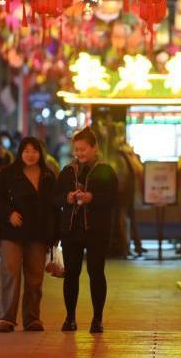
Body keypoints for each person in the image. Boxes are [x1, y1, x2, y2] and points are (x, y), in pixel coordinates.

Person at [0, 137, 61, 333]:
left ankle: (32, 318)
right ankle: (6, 318)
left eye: (34, 151)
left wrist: (55, 234)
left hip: (38, 233)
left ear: (40, 153)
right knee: (10, 272)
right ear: (20, 152)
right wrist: (9, 213)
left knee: (35, 277)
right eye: (26, 151)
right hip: (11, 232)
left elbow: (54, 206)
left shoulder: (48, 175)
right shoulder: (9, 173)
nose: (30, 155)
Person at [56, 127, 118, 334]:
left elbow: (114, 199)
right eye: (76, 149)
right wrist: (68, 197)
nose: (79, 153)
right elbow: (55, 197)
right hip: (71, 231)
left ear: (94, 148)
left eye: (83, 149)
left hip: (97, 231)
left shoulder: (106, 171)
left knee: (96, 273)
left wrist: (92, 198)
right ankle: (70, 318)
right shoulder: (67, 171)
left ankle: (97, 319)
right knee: (71, 274)